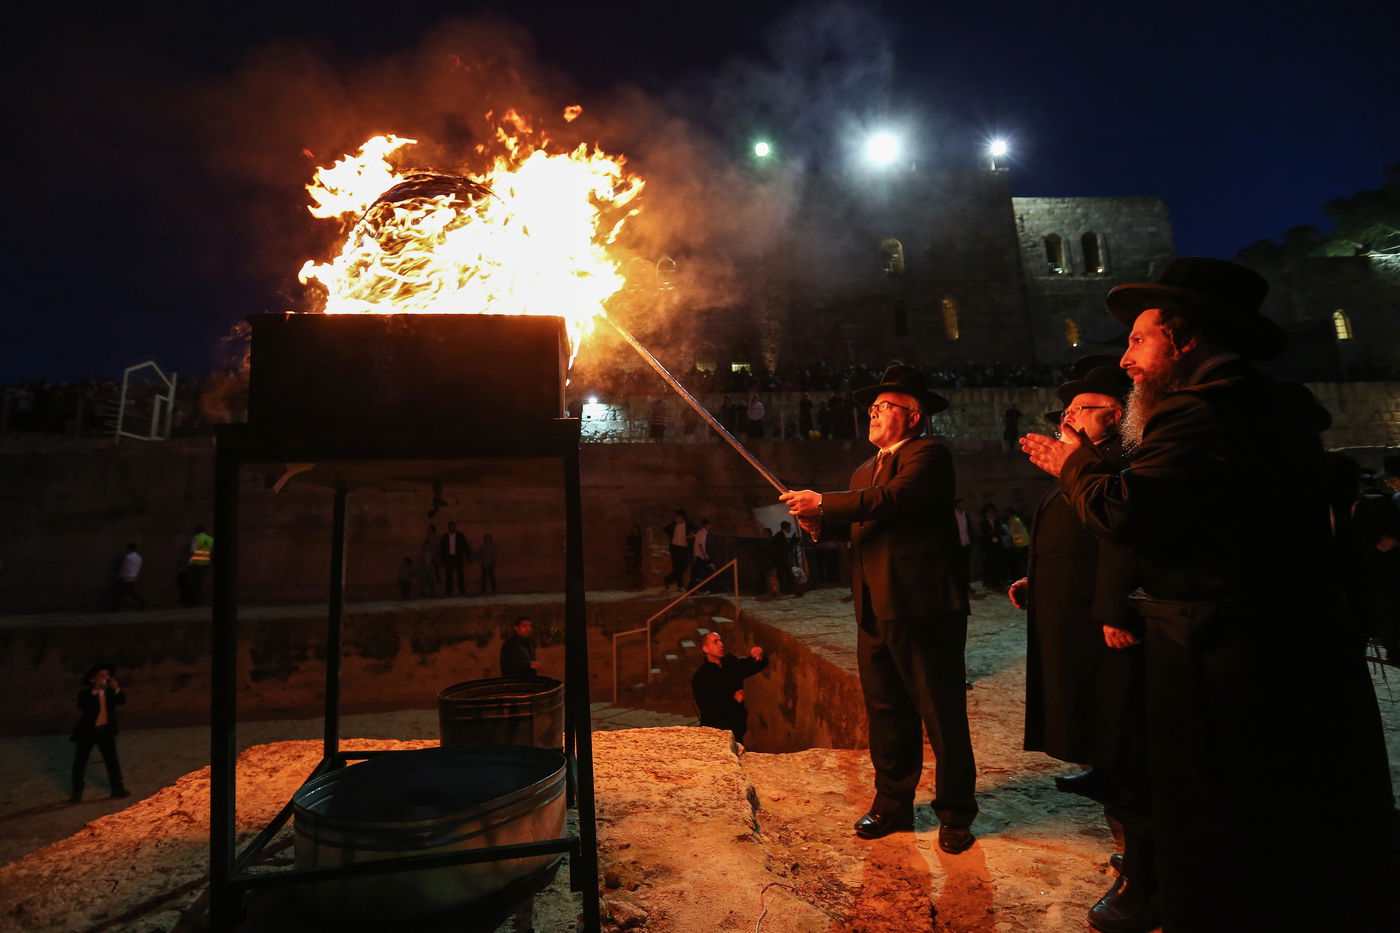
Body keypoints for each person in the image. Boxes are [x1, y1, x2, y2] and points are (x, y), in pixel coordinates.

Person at [1021, 258, 1397, 932]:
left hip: (1224, 660)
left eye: (1139, 340)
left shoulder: (1200, 413)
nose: (1127, 361)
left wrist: (1075, 462)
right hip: (1283, 647)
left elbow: (1125, 513)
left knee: (1221, 830)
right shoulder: (1270, 406)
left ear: (1185, 337)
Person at [781, 364, 977, 854]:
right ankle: (893, 803)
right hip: (873, 607)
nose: (872, 413)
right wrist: (819, 524)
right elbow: (863, 520)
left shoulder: (929, 455)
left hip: (924, 607)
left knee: (941, 712)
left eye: (884, 407)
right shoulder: (863, 470)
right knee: (886, 711)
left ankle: (955, 812)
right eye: (871, 407)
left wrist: (824, 503)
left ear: (913, 417)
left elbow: (893, 500)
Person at [1008, 364, 1148, 922]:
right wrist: (1035, 580)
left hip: (1101, 621)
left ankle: (1145, 873)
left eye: (1079, 409)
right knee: (1096, 723)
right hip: (1073, 614)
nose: (1066, 418)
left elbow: (1120, 539)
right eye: (1065, 411)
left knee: (1125, 739)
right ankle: (1105, 776)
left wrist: (1115, 608)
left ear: (1114, 417)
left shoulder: (1120, 465)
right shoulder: (1082, 463)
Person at [690, 631, 768, 744]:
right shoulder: (701, 677)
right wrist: (734, 701)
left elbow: (752, 665)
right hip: (716, 731)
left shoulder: (730, 663)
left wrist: (759, 655)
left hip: (737, 727)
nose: (721, 644)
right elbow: (708, 710)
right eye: (715, 642)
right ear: (706, 649)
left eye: (720, 640)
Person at [70, 663, 130, 802]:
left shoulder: (110, 692)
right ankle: (77, 793)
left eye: (107, 675)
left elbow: (122, 701)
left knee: (112, 761)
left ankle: (118, 789)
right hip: (87, 732)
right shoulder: (85, 694)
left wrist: (116, 689)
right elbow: (83, 705)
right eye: (101, 675)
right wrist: (96, 690)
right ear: (93, 679)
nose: (105, 678)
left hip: (106, 731)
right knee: (80, 762)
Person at [179, 524, 212, 606]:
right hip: (205, 563)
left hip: (195, 563)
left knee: (193, 582)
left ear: (196, 531)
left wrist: (186, 563)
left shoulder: (195, 538)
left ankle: (194, 601)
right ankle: (200, 600)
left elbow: (192, 552)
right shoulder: (210, 539)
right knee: (200, 581)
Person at [975, 503, 1006, 590]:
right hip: (989, 546)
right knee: (989, 563)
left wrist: (994, 531)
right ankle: (989, 581)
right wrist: (994, 532)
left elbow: (1001, 531)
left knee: (998, 563)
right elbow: (986, 533)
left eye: (992, 511)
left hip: (997, 545)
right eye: (988, 512)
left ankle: (997, 581)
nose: (991, 513)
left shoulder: (997, 521)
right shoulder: (984, 522)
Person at [439, 522, 470, 596]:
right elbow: (442, 548)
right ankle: (449, 591)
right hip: (448, 557)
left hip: (458, 557)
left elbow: (465, 545)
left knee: (460, 574)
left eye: (454, 527)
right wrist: (442, 559)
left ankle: (462, 590)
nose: (453, 528)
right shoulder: (445, 536)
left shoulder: (460, 535)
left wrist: (468, 555)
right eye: (452, 527)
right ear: (449, 528)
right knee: (448, 575)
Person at [111, 542, 145, 611]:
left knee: (118, 592)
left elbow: (125, 568)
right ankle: (142, 602)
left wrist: (121, 577)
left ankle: (115, 608)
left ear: (129, 549)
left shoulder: (128, 557)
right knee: (130, 592)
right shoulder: (139, 558)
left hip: (126, 577)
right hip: (133, 577)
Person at [662, 509, 690, 591]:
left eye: (677, 516)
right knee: (677, 567)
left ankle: (668, 579)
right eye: (675, 516)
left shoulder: (688, 525)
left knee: (683, 568)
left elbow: (695, 531)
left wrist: (690, 536)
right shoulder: (674, 524)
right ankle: (680, 585)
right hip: (675, 548)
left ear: (682, 517)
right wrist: (671, 534)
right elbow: (665, 529)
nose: (676, 518)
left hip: (684, 548)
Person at [690, 518, 714, 589]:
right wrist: (704, 554)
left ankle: (694, 586)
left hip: (698, 554)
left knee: (698, 571)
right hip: (699, 554)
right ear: (706, 525)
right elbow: (700, 544)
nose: (710, 527)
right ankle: (693, 587)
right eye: (709, 525)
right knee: (697, 571)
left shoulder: (701, 532)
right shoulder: (703, 532)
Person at [417, 533, 439, 598]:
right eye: (425, 545)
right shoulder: (421, 553)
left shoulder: (432, 552)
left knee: (431, 581)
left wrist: (438, 561)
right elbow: (419, 561)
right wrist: (419, 568)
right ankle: (422, 592)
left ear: (429, 546)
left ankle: (432, 593)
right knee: (423, 581)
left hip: (430, 568)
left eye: (427, 545)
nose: (426, 546)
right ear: (423, 546)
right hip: (423, 568)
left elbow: (435, 560)